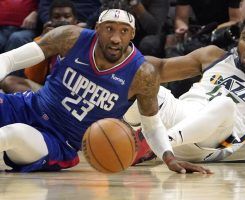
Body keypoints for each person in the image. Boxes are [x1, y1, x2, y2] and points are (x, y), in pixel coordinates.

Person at [0, 8, 210, 174]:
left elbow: (152, 125)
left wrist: (169, 158)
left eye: (123, 31)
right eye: (109, 29)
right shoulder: (70, 37)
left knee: (13, 134)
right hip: (27, 107)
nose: (116, 38)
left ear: (132, 35)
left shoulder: (142, 74)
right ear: (98, 28)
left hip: (56, 141)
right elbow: (8, 60)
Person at [125, 12, 245, 164]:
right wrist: (129, 65)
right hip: (180, 115)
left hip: (213, 143)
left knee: (225, 103)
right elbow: (161, 67)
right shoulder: (214, 56)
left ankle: (159, 144)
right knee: (143, 77)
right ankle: (126, 132)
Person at [0, 0, 79, 93]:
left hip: (71, 94)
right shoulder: (44, 39)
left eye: (67, 16)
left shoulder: (85, 41)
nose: (62, 20)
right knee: (9, 81)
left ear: (75, 21)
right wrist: (43, 42)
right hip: (48, 91)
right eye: (57, 17)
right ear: (50, 21)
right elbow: (33, 77)